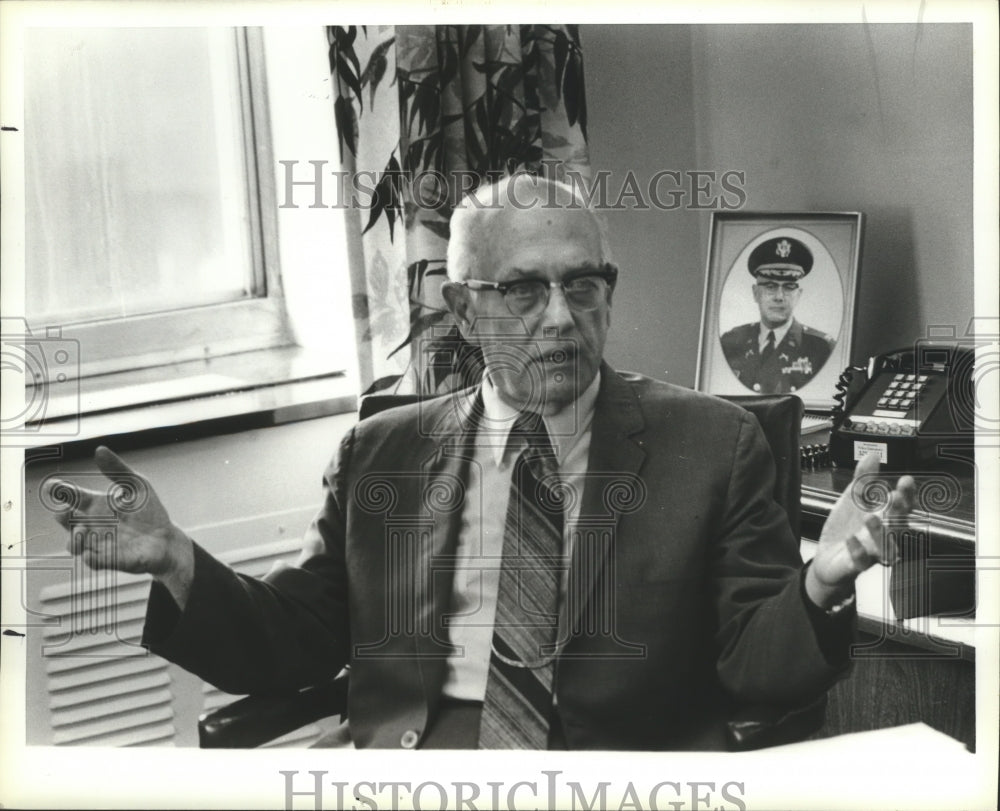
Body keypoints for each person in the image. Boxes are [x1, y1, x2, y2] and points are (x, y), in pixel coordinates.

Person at [46, 175, 914, 750]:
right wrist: (177, 559)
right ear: (464, 308)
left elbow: (752, 666)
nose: (562, 317)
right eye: (525, 290)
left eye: (583, 285)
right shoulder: (382, 450)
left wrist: (824, 580)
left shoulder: (710, 445)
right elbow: (295, 641)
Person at [720, 235, 836, 394]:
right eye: (770, 286)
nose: (779, 297)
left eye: (788, 287)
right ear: (755, 293)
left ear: (798, 295)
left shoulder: (822, 348)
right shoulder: (731, 342)